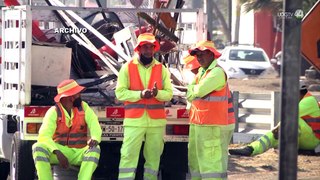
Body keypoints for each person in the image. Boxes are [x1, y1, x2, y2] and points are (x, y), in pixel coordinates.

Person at [115, 33, 173, 180]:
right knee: (128, 156)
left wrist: (157, 93)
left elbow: (169, 94)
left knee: (153, 158)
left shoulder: (161, 69)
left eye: (151, 47)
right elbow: (120, 93)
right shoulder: (127, 68)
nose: (148, 50)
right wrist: (140, 94)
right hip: (134, 121)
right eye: (145, 47)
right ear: (138, 49)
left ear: (154, 49)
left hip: (156, 123)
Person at [32, 79, 102, 180]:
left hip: (78, 153)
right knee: (38, 147)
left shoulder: (84, 107)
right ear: (70, 97)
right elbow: (44, 136)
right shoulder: (53, 112)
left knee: (95, 149)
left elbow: (94, 124)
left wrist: (95, 138)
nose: (80, 96)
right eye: (78, 94)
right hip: (59, 152)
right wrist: (57, 152)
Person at [229, 81, 320, 156]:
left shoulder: (309, 101)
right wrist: (277, 131)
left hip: (312, 140)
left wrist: (278, 128)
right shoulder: (304, 100)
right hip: (308, 139)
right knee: (272, 137)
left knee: (293, 122)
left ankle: (290, 151)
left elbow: (289, 116)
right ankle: (251, 149)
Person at [186, 40, 235, 179]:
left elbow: (197, 91)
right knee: (196, 162)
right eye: (197, 55)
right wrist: (192, 91)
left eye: (202, 54)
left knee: (210, 165)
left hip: (213, 125)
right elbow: (191, 91)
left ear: (211, 54)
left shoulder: (217, 73)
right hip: (200, 124)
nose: (199, 58)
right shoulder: (202, 72)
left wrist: (192, 91)